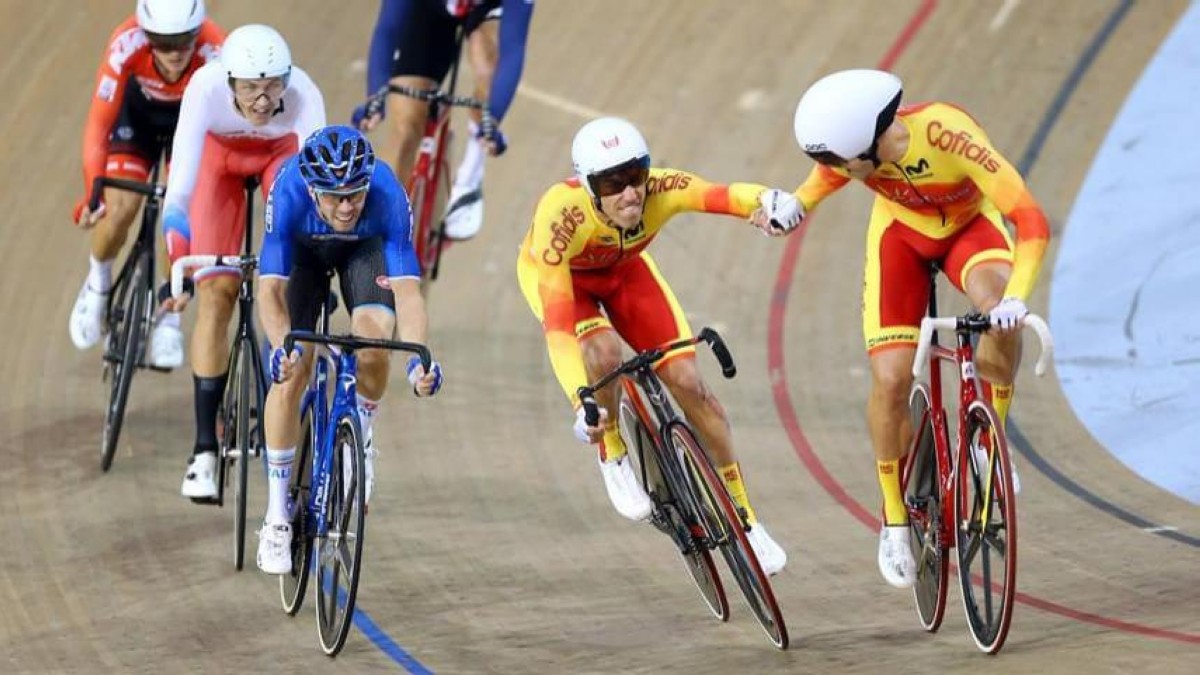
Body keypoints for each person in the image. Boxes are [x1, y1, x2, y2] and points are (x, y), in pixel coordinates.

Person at [789, 69, 1050, 588]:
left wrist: (1017, 297)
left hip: (968, 231)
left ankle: (988, 444)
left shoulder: (950, 138)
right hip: (901, 240)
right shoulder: (860, 151)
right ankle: (892, 519)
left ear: (870, 144)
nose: (838, 170)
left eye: (843, 162)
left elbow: (1031, 218)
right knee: (889, 380)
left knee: (998, 310)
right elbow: (825, 176)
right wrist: (797, 203)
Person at [516, 116, 801, 576]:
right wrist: (580, 401)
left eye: (636, 177)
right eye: (613, 183)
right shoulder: (560, 216)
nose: (630, 193)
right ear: (590, 189)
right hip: (567, 284)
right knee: (604, 353)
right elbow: (558, 327)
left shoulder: (660, 190)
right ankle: (611, 448)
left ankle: (746, 520)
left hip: (625, 274)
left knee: (692, 385)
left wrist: (770, 201)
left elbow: (721, 195)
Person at [254, 125, 443, 574]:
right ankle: (277, 516)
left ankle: (363, 431)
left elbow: (409, 293)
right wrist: (284, 346)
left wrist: (419, 358)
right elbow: (269, 293)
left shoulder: (388, 195)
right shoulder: (288, 194)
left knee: (375, 341)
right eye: (334, 197)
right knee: (291, 374)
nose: (345, 206)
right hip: (303, 257)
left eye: (354, 195)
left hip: (364, 253)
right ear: (312, 189)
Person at [162, 24, 326, 501]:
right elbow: (180, 193)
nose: (262, 98)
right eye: (251, 87)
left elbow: (316, 193)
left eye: (272, 86)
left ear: (287, 80)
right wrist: (179, 264)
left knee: (285, 280)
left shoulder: (305, 95)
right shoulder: (204, 88)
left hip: (280, 159)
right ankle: (204, 450)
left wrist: (311, 263)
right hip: (219, 161)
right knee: (217, 294)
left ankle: (280, 389)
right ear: (230, 82)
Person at [68, 0, 224, 368]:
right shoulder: (125, 43)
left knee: (180, 213)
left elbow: (225, 126)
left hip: (188, 122)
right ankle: (98, 284)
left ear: (197, 33)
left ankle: (169, 318)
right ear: (146, 36)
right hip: (135, 119)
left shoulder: (217, 51)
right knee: (119, 210)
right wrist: (93, 190)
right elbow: (98, 124)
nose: (174, 53)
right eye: (162, 42)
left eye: (184, 40)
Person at [353, 0, 535, 240]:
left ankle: (471, 175)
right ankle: (376, 236)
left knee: (488, 60)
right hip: (430, 11)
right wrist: (375, 97)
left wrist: (492, 120)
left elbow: (512, 50)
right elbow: (388, 29)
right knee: (405, 127)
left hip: (488, 12)